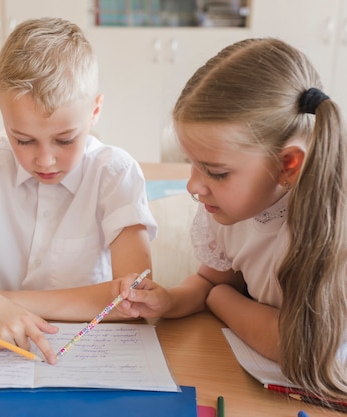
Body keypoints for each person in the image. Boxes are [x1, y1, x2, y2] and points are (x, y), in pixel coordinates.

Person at [114, 38, 347, 400]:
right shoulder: (229, 210)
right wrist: (171, 300)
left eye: (216, 172)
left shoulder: (332, 228)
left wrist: (221, 298)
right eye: (192, 164)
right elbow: (211, 278)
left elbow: (294, 346)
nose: (193, 185)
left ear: (288, 165)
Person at [0, 17, 156, 364]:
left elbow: (133, 299)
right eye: (23, 139)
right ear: (1, 110)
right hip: (6, 343)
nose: (45, 160)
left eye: (65, 139)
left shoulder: (114, 173)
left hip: (93, 345)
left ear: (95, 111)